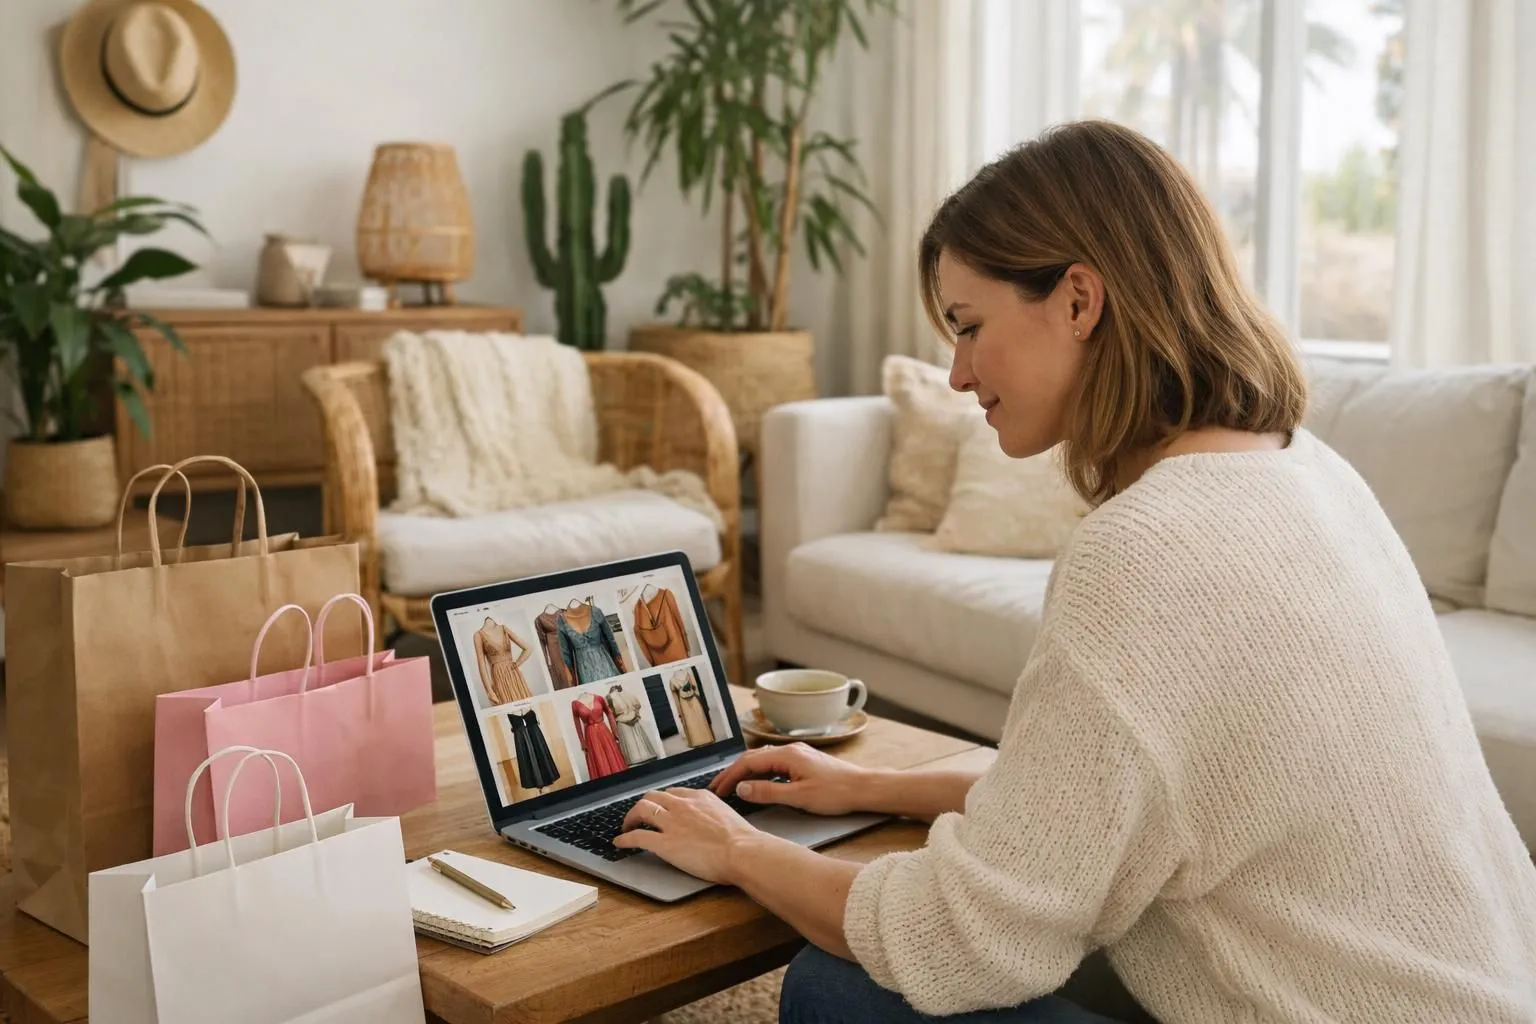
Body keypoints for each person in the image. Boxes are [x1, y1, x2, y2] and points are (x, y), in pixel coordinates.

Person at [613, 120, 1536, 1023]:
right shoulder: (1306, 469)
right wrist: (872, 786)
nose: (957, 375)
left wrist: (737, 849)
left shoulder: (1150, 548)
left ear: (1079, 301)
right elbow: (1130, 804)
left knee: (839, 986)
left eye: (969, 327)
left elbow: (960, 939)